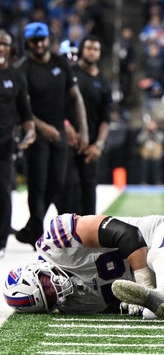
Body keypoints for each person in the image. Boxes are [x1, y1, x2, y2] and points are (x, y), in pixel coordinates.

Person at [3, 212, 164, 320]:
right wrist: (129, 306)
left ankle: (162, 293)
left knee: (157, 256)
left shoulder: (57, 239)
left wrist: (145, 285)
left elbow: (128, 235)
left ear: (35, 271)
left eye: (45, 285)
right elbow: (119, 303)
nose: (54, 292)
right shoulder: (72, 305)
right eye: (48, 299)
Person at [14, 22, 89, 249]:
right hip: (35, 132)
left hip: (58, 130)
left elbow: (76, 97)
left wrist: (83, 130)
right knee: (37, 184)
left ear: (48, 39)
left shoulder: (60, 64)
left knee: (57, 181)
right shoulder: (22, 69)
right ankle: (35, 230)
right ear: (27, 43)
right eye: (34, 41)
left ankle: (33, 228)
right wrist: (41, 127)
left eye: (42, 39)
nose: (39, 44)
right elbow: (19, 106)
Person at [55, 35, 111, 215]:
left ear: (100, 53)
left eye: (96, 49)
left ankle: (89, 236)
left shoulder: (103, 83)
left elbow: (106, 119)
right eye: (88, 48)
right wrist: (65, 125)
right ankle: (65, 231)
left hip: (91, 145)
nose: (92, 52)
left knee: (89, 187)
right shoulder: (71, 73)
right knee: (66, 186)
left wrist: (99, 145)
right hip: (68, 140)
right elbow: (56, 105)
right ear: (82, 50)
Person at [0, 29, 36, 259]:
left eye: (3, 44)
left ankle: (1, 239)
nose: (0, 48)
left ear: (11, 49)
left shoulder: (17, 77)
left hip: (4, 143)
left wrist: (30, 131)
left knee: (3, 191)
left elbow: (26, 114)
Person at [136, 119, 164, 185]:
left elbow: (161, 140)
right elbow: (139, 140)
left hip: (156, 153)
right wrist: (146, 132)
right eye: (150, 125)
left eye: (153, 125)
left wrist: (154, 132)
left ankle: (158, 182)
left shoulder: (159, 133)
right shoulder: (145, 132)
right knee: (144, 167)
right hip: (146, 153)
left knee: (157, 168)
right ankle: (143, 182)